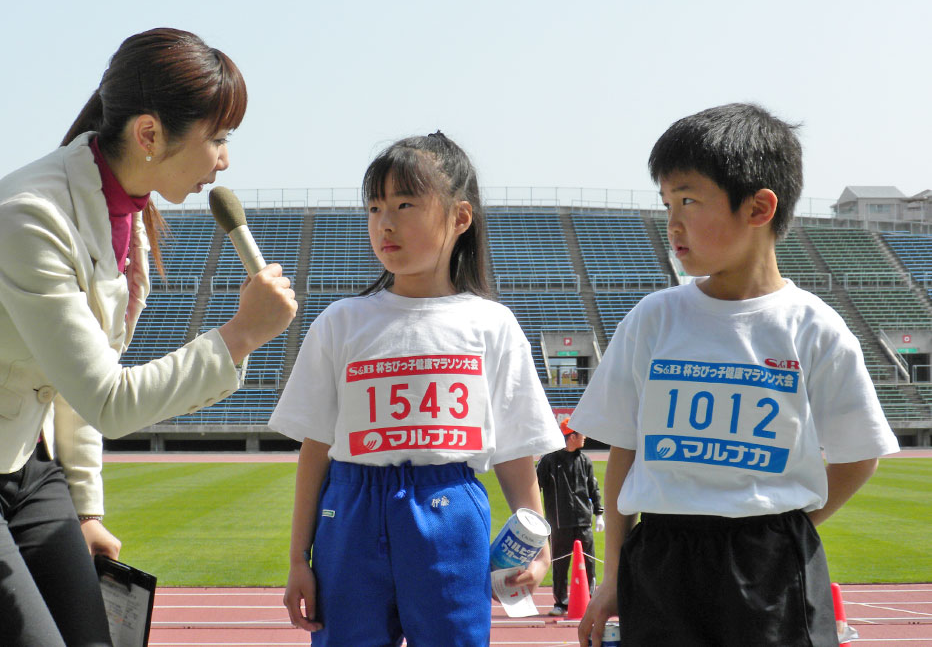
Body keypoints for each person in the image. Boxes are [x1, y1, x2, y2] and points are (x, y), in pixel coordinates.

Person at [0, 28, 297, 646]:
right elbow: (107, 399)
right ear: (148, 134)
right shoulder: (29, 218)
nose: (225, 160)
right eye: (217, 138)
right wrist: (240, 335)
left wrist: (86, 510)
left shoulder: (125, 215)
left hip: (26, 464)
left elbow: (73, 377)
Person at [573, 103, 900, 647]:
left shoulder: (813, 327)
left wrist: (786, 529)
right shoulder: (653, 319)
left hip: (771, 564)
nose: (671, 222)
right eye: (666, 203)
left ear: (759, 207)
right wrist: (611, 579)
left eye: (688, 200)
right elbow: (624, 453)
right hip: (660, 558)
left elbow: (859, 453)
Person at [270, 131, 564, 646]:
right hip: (351, 510)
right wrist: (298, 558)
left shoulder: (491, 325)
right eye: (375, 206)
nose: (385, 222)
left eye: (406, 204)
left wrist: (536, 542)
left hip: (451, 509)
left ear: (459, 218)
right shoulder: (340, 323)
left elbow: (515, 451)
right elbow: (315, 451)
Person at [537, 416, 604, 616]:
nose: (585, 438)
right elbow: (535, 485)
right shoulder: (549, 460)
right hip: (559, 522)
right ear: (571, 436)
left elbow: (593, 487)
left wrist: (599, 513)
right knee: (560, 563)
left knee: (589, 562)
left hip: (583, 521)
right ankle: (560, 603)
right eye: (581, 434)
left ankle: (589, 600)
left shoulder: (585, 460)